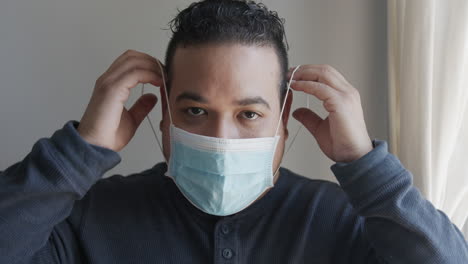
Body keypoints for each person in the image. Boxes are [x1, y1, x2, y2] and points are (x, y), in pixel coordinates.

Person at [1, 0, 467, 263]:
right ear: (163, 112)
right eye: (197, 111)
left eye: (248, 114)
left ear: (283, 120)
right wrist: (78, 151)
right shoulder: (92, 218)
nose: (223, 141)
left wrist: (366, 166)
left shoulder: (345, 220)